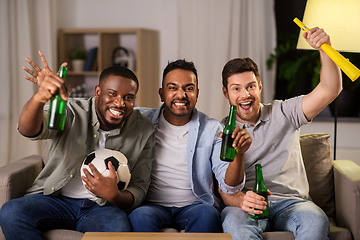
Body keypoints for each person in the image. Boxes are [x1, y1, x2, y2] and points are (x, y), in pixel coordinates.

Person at [0, 51, 155, 240]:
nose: (120, 103)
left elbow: (139, 187)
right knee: (11, 212)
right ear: (98, 92)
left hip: (102, 208)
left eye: (129, 98)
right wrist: (40, 97)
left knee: (119, 228)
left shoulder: (143, 129)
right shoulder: (70, 110)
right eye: (112, 94)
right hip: (54, 199)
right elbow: (29, 130)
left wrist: (114, 195)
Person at [219, 27, 342, 240]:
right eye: (236, 89)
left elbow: (330, 89)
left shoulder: (284, 112)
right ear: (226, 93)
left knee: (316, 220)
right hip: (249, 205)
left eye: (250, 86)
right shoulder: (220, 131)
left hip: (293, 203)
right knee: (233, 223)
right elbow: (223, 186)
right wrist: (240, 200)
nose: (245, 95)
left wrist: (325, 48)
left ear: (260, 86)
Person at [128, 59, 252, 232]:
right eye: (173, 88)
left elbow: (229, 186)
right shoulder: (140, 121)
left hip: (195, 206)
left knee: (208, 214)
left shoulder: (212, 128)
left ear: (197, 93)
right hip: (151, 205)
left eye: (189, 88)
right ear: (161, 93)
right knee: (139, 216)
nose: (181, 95)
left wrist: (238, 155)